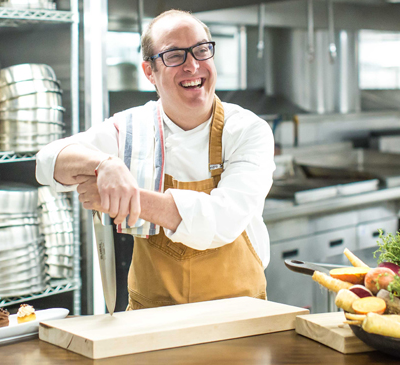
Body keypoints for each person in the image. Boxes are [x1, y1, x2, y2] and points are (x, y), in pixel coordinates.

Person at [36, 9, 275, 310]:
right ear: (149, 71)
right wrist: (104, 165)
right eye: (174, 55)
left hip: (239, 313)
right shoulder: (133, 129)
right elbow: (47, 161)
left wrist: (128, 198)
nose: (193, 65)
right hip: (151, 316)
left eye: (202, 50)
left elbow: (221, 220)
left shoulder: (247, 130)